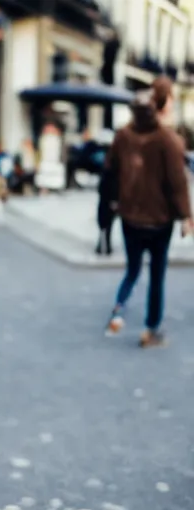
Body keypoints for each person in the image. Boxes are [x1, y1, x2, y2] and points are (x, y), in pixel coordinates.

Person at [105, 76, 194, 347]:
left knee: (132, 268)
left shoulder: (122, 136)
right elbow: (177, 184)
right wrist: (186, 216)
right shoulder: (168, 140)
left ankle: (118, 311)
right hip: (159, 221)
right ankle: (151, 329)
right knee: (157, 275)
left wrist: (112, 204)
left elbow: (110, 173)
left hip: (130, 217)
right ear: (163, 105)